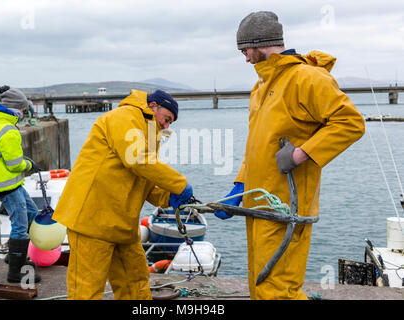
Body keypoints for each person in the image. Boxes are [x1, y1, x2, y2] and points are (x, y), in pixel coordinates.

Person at [214, 11, 365, 300]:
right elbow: (258, 145)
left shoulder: (306, 78)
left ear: (260, 43)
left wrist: (301, 154)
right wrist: (240, 185)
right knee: (262, 284)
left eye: (245, 50)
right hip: (260, 205)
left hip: (287, 208)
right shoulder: (259, 88)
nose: (245, 58)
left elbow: (350, 123)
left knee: (276, 290)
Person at [52, 89, 193, 300]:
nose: (166, 126)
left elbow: (141, 176)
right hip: (91, 221)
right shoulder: (124, 116)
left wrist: (168, 197)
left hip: (121, 223)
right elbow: (137, 159)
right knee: (86, 290)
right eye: (167, 119)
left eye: (170, 123)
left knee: (135, 282)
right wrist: (180, 184)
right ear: (153, 105)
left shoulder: (148, 132)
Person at [0, 86, 42, 284]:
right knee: (20, 225)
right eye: (22, 109)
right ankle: (16, 271)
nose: (23, 113)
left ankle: (14, 254)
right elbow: (14, 165)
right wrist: (30, 164)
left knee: (31, 211)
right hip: (6, 185)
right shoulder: (9, 132)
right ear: (15, 110)